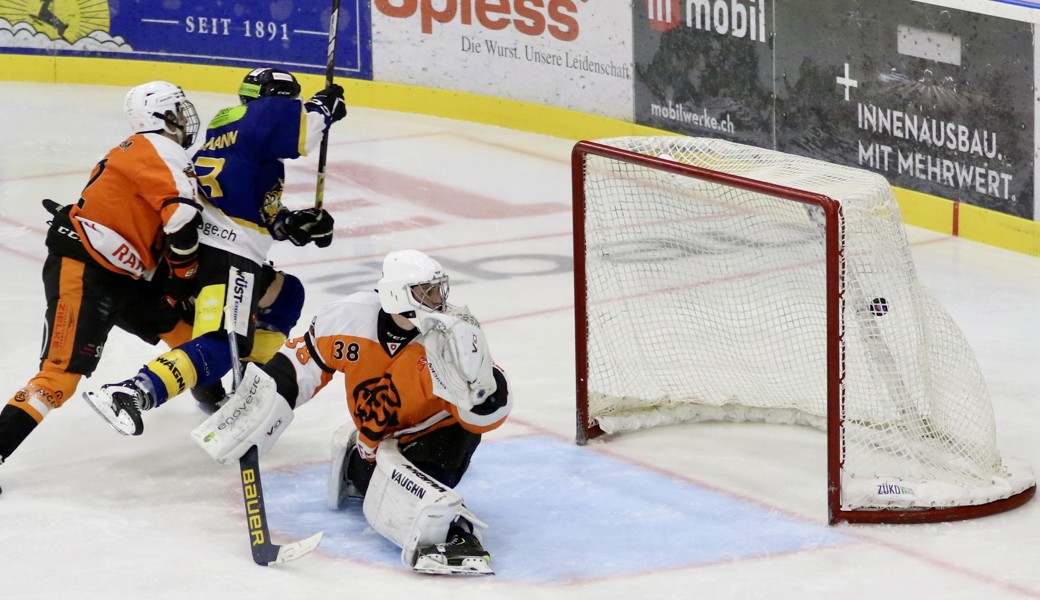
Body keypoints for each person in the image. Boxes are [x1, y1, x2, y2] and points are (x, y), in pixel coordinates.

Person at [191, 250, 513, 575]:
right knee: (371, 484)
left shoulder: (450, 337)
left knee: (403, 494)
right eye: (424, 291)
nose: (436, 299)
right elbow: (299, 367)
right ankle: (367, 470)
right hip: (378, 437)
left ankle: (458, 534)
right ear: (396, 294)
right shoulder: (348, 319)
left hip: (439, 431)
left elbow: (486, 412)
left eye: (437, 289)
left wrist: (484, 391)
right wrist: (258, 406)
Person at [85, 68, 348, 435]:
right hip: (225, 255)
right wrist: (323, 108)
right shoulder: (260, 117)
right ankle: (133, 392)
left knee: (287, 294)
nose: (289, 107)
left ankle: (248, 387)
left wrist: (290, 224)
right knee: (224, 343)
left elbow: (242, 205)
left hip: (219, 250)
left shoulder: (234, 139)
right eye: (287, 102)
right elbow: (300, 132)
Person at [0, 81, 202, 474]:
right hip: (87, 274)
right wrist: (184, 276)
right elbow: (180, 219)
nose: (185, 117)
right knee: (59, 376)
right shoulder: (158, 149)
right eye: (178, 109)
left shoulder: (143, 150)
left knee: (189, 336)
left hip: (126, 276)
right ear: (163, 116)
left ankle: (220, 406)